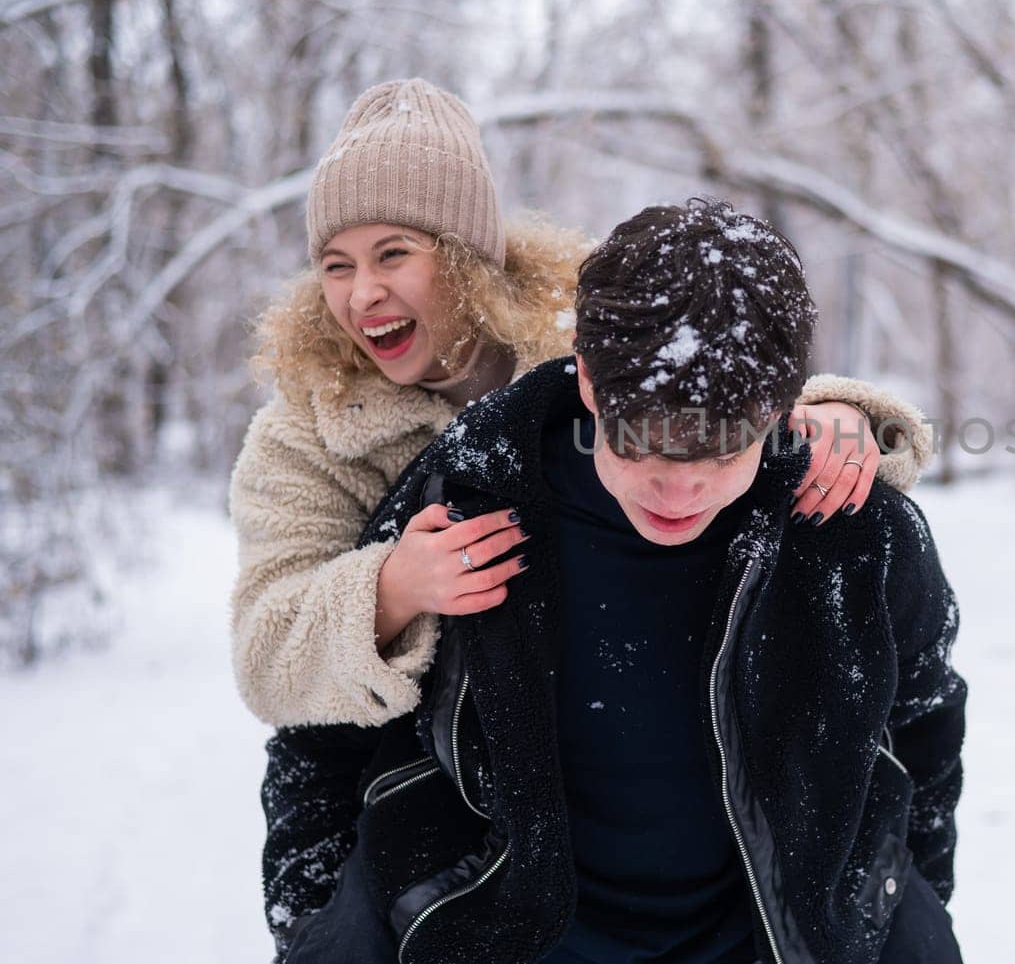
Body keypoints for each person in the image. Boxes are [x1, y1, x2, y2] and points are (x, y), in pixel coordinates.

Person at [264, 199, 965, 964]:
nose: (679, 489)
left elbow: (924, 720)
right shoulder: (469, 494)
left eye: (723, 449)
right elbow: (323, 733)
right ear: (591, 379)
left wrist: (895, 904)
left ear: (778, 408)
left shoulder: (849, 529)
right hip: (497, 936)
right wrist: (315, 925)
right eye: (643, 443)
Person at [229, 78, 933, 729]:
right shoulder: (306, 432)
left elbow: (723, 376)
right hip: (454, 776)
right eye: (336, 265)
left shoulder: (586, 332)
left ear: (464, 253)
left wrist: (840, 415)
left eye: (392, 254)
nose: (360, 294)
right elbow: (266, 661)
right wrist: (392, 590)